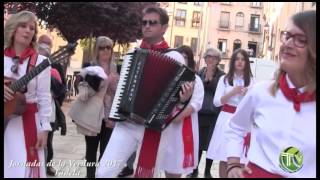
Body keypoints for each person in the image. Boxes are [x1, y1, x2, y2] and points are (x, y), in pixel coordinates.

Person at [96, 6, 194, 178]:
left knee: (146, 175)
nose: (147, 26)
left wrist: (183, 99)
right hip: (126, 123)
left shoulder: (175, 57)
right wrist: (116, 107)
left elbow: (177, 99)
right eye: (144, 22)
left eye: (152, 23)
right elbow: (123, 89)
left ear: (163, 27)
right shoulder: (133, 53)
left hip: (153, 129)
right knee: (103, 172)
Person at [226, 10, 316, 178]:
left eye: (301, 40)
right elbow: (235, 128)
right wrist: (233, 165)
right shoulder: (261, 92)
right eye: (287, 36)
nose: (288, 43)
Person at [4, 11, 51, 178]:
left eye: (32, 28)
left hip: (27, 122)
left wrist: (44, 129)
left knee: (20, 168)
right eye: (23, 26)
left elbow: (45, 97)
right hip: (6, 120)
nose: (28, 30)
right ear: (13, 28)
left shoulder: (39, 62)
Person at [68, 36, 119, 178]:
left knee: (106, 151)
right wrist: (107, 82)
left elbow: (119, 93)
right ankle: (89, 175)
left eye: (108, 47)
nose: (105, 50)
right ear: (97, 50)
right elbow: (85, 92)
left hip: (109, 115)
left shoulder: (117, 68)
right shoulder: (89, 68)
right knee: (91, 150)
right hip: (92, 115)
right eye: (102, 47)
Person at [206, 48, 254, 178]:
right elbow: (216, 102)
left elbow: (253, 106)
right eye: (237, 59)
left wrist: (245, 95)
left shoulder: (251, 81)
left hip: (242, 120)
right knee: (224, 156)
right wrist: (232, 92)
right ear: (232, 62)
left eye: (243, 59)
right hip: (226, 117)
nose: (240, 62)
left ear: (247, 63)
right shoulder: (224, 79)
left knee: (242, 157)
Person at [159, 45, 204, 178]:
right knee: (167, 162)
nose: (182, 60)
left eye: (185, 57)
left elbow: (196, 103)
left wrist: (178, 116)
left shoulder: (196, 80)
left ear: (190, 60)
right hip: (167, 127)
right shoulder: (169, 78)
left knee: (177, 164)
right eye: (180, 57)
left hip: (184, 125)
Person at [187, 48, 225, 178]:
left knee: (210, 144)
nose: (211, 59)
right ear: (204, 58)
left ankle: (208, 171)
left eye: (214, 57)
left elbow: (218, 91)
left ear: (218, 60)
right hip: (199, 113)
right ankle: (194, 170)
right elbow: (197, 89)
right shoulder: (199, 73)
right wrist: (206, 77)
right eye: (208, 56)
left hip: (214, 115)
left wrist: (210, 78)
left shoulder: (222, 76)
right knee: (197, 143)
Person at [37, 34, 67, 177]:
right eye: (42, 42)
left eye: (48, 44)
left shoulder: (56, 64)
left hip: (49, 107)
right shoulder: (33, 60)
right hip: (31, 108)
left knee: (47, 140)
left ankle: (47, 166)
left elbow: (62, 89)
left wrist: (56, 103)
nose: (45, 46)